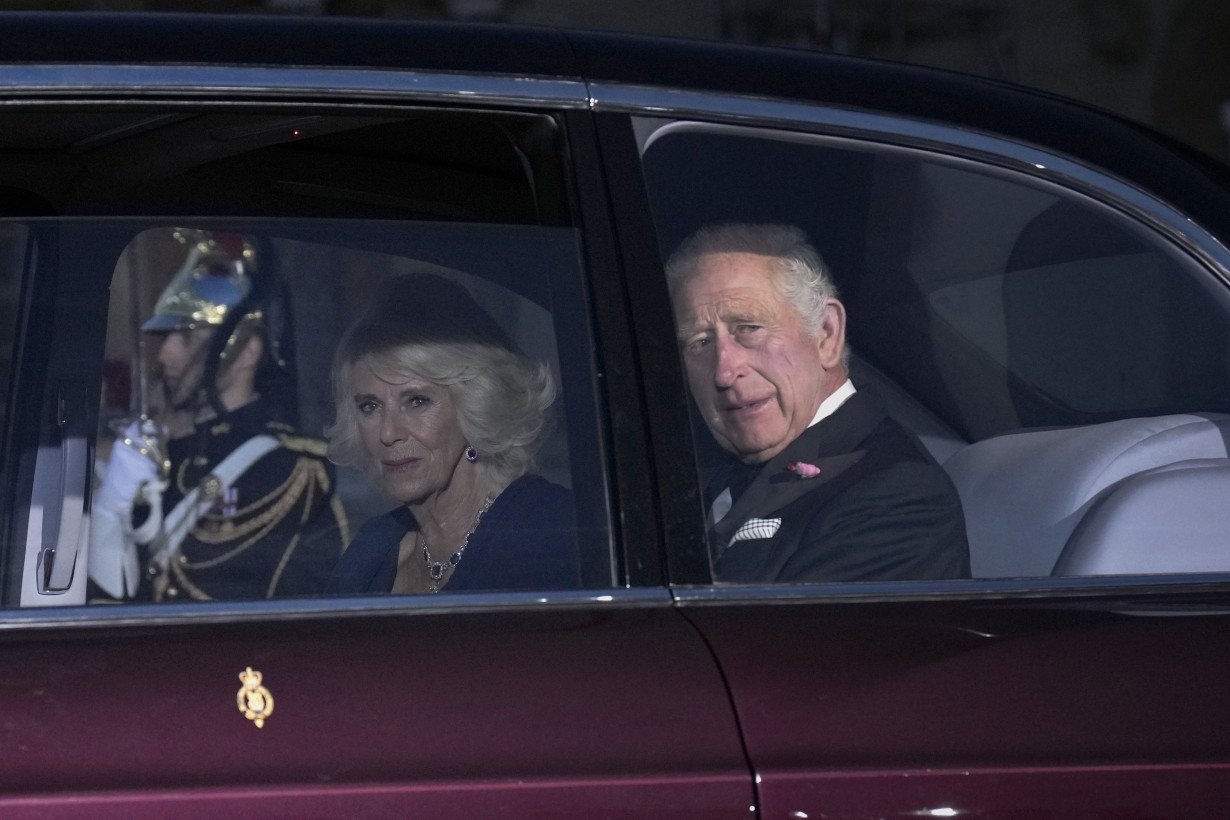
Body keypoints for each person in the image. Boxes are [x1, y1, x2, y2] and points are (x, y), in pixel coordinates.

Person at [666, 223, 969, 582]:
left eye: (748, 328)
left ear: (826, 334)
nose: (724, 371)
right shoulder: (690, 480)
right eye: (699, 342)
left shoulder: (898, 496)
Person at [88, 229, 349, 601]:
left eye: (187, 338)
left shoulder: (291, 471)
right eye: (167, 338)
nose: (166, 355)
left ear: (246, 353)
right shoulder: (169, 455)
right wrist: (114, 509)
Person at [326, 273, 581, 594]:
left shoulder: (548, 533)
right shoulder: (371, 551)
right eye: (369, 407)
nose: (388, 433)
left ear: (476, 405)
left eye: (417, 401)